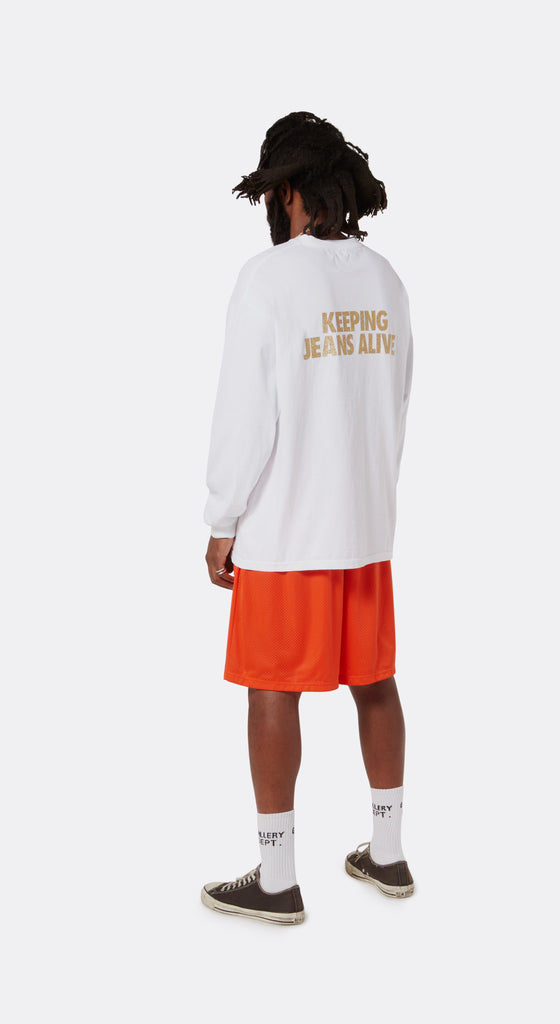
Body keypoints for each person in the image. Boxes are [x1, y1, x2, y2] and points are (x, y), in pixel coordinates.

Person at [200, 112, 414, 925]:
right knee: (375, 683)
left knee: (271, 690)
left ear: (284, 188)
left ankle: (278, 877)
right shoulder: (385, 279)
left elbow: (243, 416)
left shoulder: (268, 279)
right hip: (365, 528)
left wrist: (223, 518)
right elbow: (395, 397)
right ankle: (387, 855)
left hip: (287, 528)